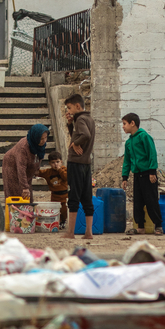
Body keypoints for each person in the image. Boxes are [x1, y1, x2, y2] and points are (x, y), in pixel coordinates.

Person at [121, 113, 161, 236]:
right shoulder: (128, 143)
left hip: (148, 174)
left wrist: (152, 171)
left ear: (132, 123)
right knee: (137, 202)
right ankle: (140, 227)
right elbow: (127, 161)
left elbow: (152, 153)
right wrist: (125, 177)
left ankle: (158, 225)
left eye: (124, 124)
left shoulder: (144, 137)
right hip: (137, 175)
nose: (123, 127)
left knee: (151, 201)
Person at [64, 94, 95, 239]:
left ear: (77, 106)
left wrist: (76, 144)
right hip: (86, 163)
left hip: (76, 163)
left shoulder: (81, 119)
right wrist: (70, 125)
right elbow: (76, 136)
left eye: (69, 108)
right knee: (87, 197)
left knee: (74, 197)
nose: (68, 111)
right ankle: (89, 232)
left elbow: (85, 135)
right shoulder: (89, 119)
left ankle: (70, 232)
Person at [2, 124, 49, 202]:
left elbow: (39, 156)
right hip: (11, 166)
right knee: (16, 192)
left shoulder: (39, 145)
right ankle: (16, 212)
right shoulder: (23, 148)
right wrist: (25, 187)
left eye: (45, 138)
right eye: (41, 139)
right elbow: (21, 168)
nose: (44, 141)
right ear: (35, 137)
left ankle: (27, 211)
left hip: (28, 167)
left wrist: (37, 169)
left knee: (27, 194)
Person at [38, 151, 69, 228]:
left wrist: (59, 170)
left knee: (64, 210)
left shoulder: (64, 169)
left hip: (64, 195)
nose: (56, 164)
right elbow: (39, 173)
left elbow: (66, 177)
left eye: (57, 162)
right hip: (55, 195)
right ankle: (56, 222)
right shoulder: (48, 172)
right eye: (53, 162)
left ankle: (63, 221)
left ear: (61, 162)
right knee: (55, 210)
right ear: (49, 163)